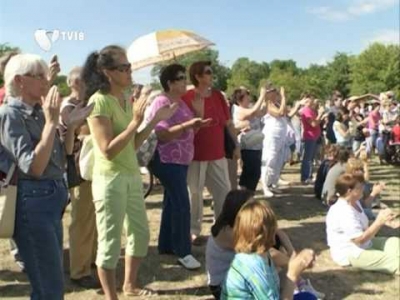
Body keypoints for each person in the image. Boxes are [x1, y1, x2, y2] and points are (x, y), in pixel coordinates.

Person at [82, 45, 177, 299]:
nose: (129, 72)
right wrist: (135, 121)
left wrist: (154, 119)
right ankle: (111, 296)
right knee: (110, 242)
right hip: (109, 180)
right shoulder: (99, 101)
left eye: (129, 66)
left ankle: (130, 285)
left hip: (132, 175)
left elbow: (132, 145)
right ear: (107, 72)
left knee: (140, 233)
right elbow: (107, 150)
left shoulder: (125, 98)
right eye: (123, 68)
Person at [0, 53, 92, 299]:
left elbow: (62, 159)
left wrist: (70, 126)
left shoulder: (40, 112)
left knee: (51, 283)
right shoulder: (10, 114)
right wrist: (52, 124)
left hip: (51, 198)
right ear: (19, 81)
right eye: (39, 76)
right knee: (49, 287)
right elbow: (33, 167)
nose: (47, 80)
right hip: (33, 202)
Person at [147, 63, 211, 269]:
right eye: (181, 78)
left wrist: (197, 122)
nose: (186, 81)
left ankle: (166, 245)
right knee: (182, 204)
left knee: (172, 202)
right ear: (169, 83)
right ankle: (184, 252)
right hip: (166, 160)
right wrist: (187, 126)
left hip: (179, 161)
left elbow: (188, 131)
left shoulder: (181, 103)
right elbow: (162, 134)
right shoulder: (162, 102)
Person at [206, 190, 324, 300]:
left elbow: (279, 234)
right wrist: (293, 272)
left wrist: (295, 258)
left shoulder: (255, 250)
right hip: (220, 284)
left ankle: (300, 286)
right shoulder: (252, 264)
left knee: (307, 297)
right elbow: (273, 256)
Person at [182, 61, 239, 244]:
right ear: (198, 76)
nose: (211, 74)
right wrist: (197, 113)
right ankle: (193, 229)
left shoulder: (218, 96)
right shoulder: (187, 96)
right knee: (195, 194)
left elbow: (228, 123)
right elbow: (183, 127)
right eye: (208, 72)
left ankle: (220, 228)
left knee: (224, 191)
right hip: (196, 155)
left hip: (218, 153)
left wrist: (236, 144)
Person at [58, 66, 99, 288]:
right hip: (78, 167)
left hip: (88, 165)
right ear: (75, 83)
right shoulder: (69, 106)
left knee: (90, 216)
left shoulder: (85, 103)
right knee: (82, 219)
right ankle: (79, 270)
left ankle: (89, 261)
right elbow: (72, 137)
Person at [326, 173, 400, 275]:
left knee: (395, 242)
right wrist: (378, 222)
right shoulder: (343, 211)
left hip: (366, 243)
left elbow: (362, 225)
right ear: (349, 191)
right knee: (394, 261)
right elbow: (358, 240)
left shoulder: (355, 202)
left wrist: (386, 222)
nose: (363, 188)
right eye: (359, 187)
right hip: (351, 252)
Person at [231, 87, 267, 191]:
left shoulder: (249, 108)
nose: (249, 96)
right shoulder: (238, 109)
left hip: (255, 146)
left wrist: (266, 99)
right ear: (239, 98)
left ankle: (248, 195)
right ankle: (244, 196)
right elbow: (253, 112)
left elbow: (262, 112)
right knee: (249, 173)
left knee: (255, 173)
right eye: (246, 94)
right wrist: (262, 96)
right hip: (247, 147)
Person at [260, 85, 288, 197]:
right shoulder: (267, 104)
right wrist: (284, 97)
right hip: (271, 135)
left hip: (280, 136)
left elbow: (285, 112)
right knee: (269, 159)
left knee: (278, 160)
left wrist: (283, 99)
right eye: (273, 92)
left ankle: (272, 183)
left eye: (276, 92)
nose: (276, 94)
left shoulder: (277, 103)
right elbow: (279, 113)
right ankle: (265, 185)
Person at [300, 96, 325, 184]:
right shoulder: (306, 111)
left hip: (314, 136)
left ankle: (309, 175)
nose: (313, 101)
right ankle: (305, 177)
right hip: (309, 137)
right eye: (310, 99)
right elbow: (313, 124)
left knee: (311, 158)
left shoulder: (311, 110)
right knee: (308, 158)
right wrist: (320, 114)